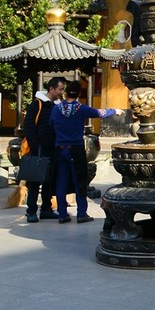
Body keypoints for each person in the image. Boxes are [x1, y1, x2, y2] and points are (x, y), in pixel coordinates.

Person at [50, 81, 116, 224]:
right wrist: (115, 110)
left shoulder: (56, 109)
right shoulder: (81, 109)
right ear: (79, 94)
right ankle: (81, 213)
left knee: (61, 181)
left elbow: (51, 124)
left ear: (66, 93)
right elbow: (100, 113)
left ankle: (62, 214)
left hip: (60, 149)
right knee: (79, 180)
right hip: (76, 149)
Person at [22, 76, 65, 222]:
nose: (61, 92)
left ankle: (46, 208)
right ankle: (31, 211)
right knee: (35, 180)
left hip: (53, 148)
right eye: (60, 89)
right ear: (51, 89)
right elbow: (28, 126)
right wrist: (35, 146)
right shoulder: (37, 104)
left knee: (49, 180)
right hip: (39, 148)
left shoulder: (58, 106)